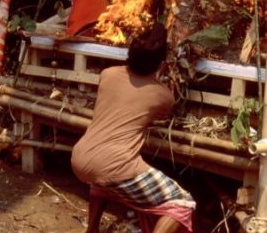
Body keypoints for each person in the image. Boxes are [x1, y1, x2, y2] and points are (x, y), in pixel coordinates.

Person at [71, 24, 195, 233]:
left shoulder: (107, 74)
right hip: (114, 165)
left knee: (103, 183)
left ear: (128, 54)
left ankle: (91, 230)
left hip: (80, 158)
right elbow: (159, 114)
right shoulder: (163, 96)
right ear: (161, 64)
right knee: (182, 202)